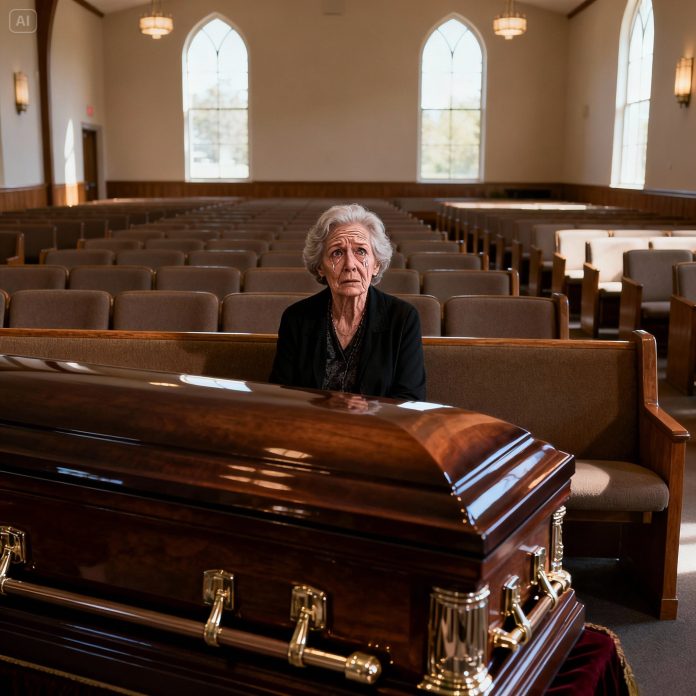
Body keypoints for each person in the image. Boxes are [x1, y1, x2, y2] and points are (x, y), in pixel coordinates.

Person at [269, 203, 426, 401]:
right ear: (320, 267)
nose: (350, 265)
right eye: (337, 252)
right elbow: (281, 395)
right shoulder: (297, 318)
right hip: (314, 420)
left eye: (361, 251)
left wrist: (369, 408)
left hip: (378, 421)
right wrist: (323, 407)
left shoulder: (402, 318)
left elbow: (411, 398)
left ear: (376, 264)